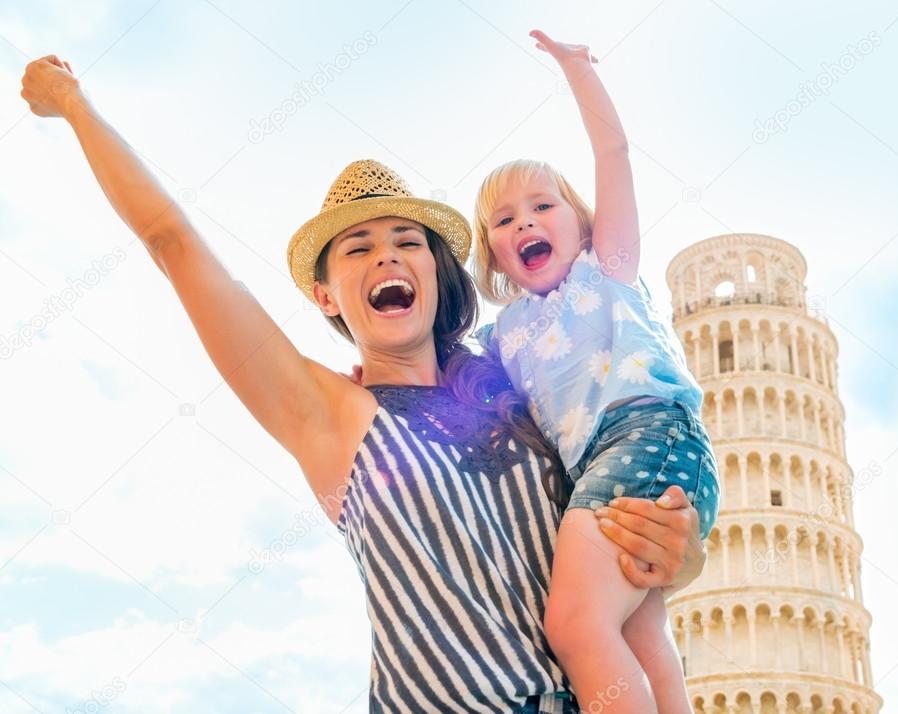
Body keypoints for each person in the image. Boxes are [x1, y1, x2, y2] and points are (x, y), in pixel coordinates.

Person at [20, 55, 709, 713]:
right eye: (358, 247)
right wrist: (77, 109)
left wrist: (675, 550)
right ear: (326, 296)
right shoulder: (327, 414)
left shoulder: (526, 395)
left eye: (408, 241)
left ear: (438, 274)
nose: (386, 253)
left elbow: (624, 518)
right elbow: (172, 241)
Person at [471, 31, 720, 713]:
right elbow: (449, 384)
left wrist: (576, 70)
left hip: (645, 433)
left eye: (543, 205)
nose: (525, 221)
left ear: (583, 224)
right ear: (492, 256)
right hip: (607, 466)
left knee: (574, 624)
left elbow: (612, 151)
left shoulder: (605, 271)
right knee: (638, 629)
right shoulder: (507, 334)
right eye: (503, 219)